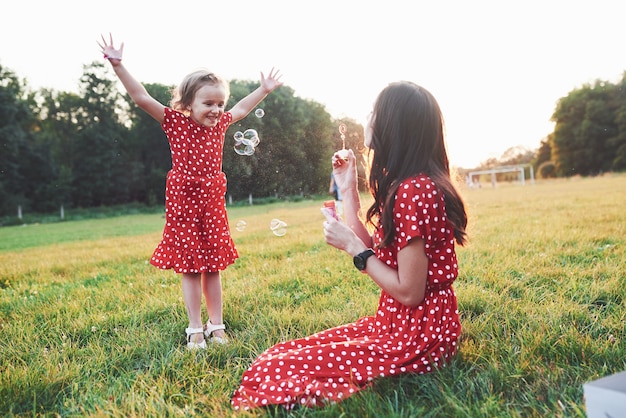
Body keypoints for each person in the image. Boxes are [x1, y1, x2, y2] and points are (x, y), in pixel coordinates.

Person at [231, 81, 468, 410]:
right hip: (401, 323)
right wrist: (348, 190)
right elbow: (382, 251)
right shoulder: (409, 185)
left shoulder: (414, 191)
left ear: (393, 126)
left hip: (416, 335)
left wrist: (356, 251)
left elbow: (409, 291)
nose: (367, 119)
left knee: (278, 368)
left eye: (374, 112)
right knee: (282, 355)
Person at [98, 34, 283, 350]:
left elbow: (240, 109)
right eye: (208, 103)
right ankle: (195, 328)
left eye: (219, 103)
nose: (216, 110)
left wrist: (263, 90)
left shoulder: (222, 123)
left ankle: (217, 325)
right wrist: (119, 65)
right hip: (184, 202)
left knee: (213, 266)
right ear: (187, 104)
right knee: (191, 266)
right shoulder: (174, 122)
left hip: (211, 202)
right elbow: (141, 97)